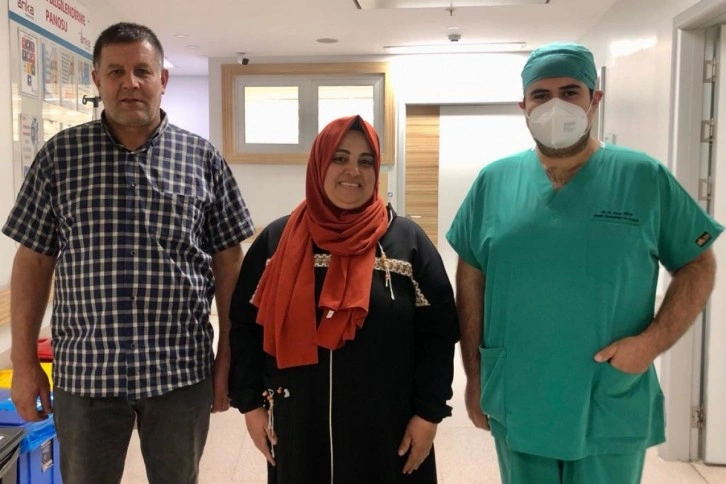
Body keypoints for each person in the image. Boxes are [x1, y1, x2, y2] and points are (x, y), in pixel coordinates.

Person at [446, 42, 723, 484]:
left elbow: (698, 264)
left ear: (595, 98)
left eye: (570, 91)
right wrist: (475, 375)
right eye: (541, 95)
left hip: (607, 393)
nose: (554, 105)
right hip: (520, 391)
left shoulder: (642, 177)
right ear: (523, 106)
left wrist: (652, 343)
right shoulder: (493, 181)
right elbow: (471, 276)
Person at [2, 22, 254, 484]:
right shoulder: (60, 158)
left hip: (179, 372)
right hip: (86, 375)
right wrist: (23, 362)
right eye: (116, 71)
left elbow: (230, 260)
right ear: (97, 79)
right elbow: (33, 260)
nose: (130, 83)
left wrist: (228, 356)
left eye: (142, 70)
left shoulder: (203, 159)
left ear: (163, 79)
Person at [229, 115, 459, 483]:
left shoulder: (407, 242)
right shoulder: (277, 241)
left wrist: (428, 413)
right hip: (299, 422)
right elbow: (244, 327)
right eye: (340, 158)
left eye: (366, 161)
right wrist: (251, 404)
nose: (353, 170)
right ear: (319, 163)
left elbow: (439, 335)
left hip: (388, 426)